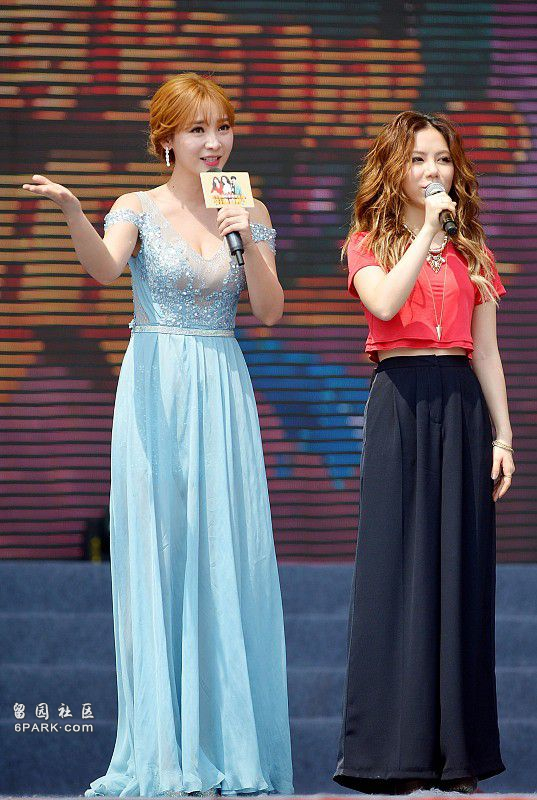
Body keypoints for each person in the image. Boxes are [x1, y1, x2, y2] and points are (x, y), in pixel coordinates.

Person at [22, 72, 293, 798]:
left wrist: (247, 239)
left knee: (222, 554)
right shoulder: (137, 206)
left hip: (221, 384)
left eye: (222, 126)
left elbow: (269, 311)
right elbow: (105, 269)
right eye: (197, 129)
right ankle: (165, 751)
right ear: (166, 138)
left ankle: (228, 747)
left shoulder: (248, 206)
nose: (213, 142)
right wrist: (74, 211)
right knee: (163, 551)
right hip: (156, 384)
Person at [333, 111, 514, 794]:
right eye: (416, 159)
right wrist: (425, 236)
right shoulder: (366, 242)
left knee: (461, 573)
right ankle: (391, 755)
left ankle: (459, 759)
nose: (431, 171)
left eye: (441, 159)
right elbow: (384, 302)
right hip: (400, 398)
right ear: (393, 169)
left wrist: (503, 436)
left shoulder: (474, 251)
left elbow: (487, 351)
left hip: (461, 402)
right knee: (396, 568)